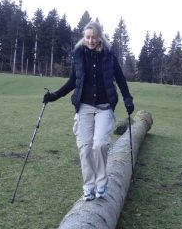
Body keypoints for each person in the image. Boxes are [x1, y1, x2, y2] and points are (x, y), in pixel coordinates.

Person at [43, 21, 134, 201]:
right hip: (84, 107)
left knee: (99, 144)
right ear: (84, 38)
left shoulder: (109, 56)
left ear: (100, 37)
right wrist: (54, 96)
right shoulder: (78, 55)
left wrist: (127, 98)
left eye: (94, 37)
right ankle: (89, 186)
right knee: (85, 148)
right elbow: (72, 82)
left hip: (104, 107)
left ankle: (101, 183)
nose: (91, 40)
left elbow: (120, 79)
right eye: (88, 37)